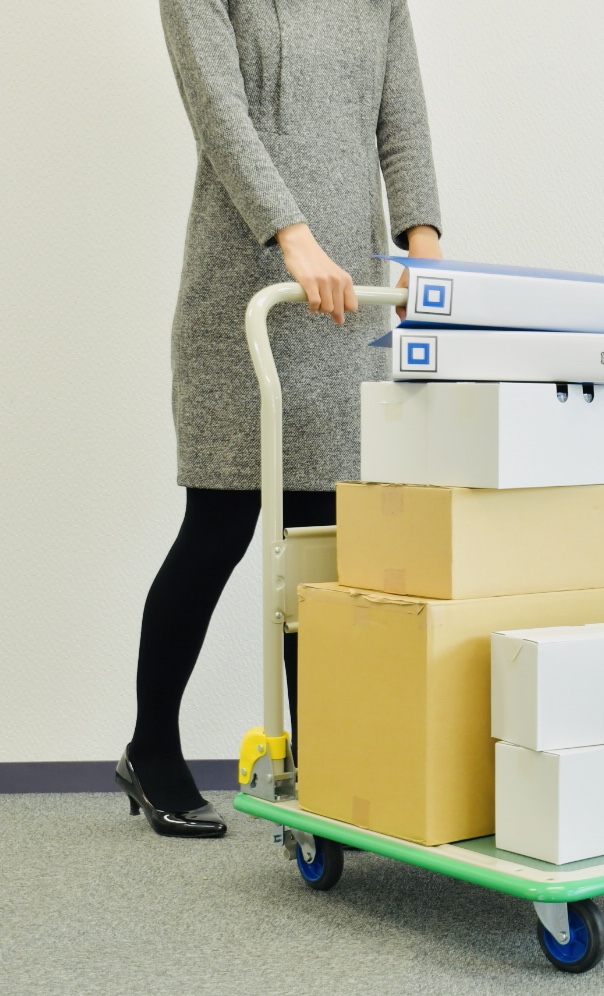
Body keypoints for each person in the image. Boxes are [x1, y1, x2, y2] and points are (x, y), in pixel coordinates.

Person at [115, 0, 443, 837]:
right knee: (220, 522)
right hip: (250, 288)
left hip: (353, 303)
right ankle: (151, 748)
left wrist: (427, 254)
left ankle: (325, 762)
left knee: (322, 547)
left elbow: (400, 124)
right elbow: (217, 110)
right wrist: (291, 235)